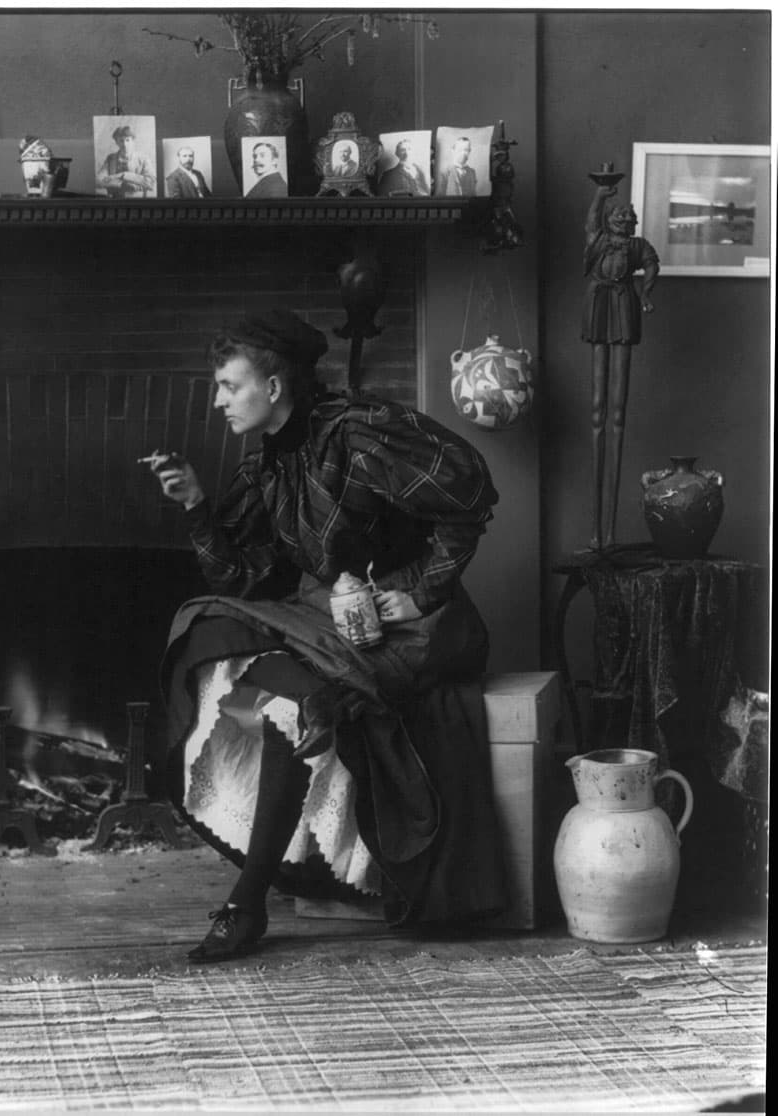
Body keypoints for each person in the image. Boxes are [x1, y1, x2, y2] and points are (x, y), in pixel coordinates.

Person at [146, 309, 506, 964]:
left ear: (274, 387)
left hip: (417, 628)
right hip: (331, 616)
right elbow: (243, 574)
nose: (219, 399)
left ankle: (246, 904)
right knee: (230, 654)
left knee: (283, 706)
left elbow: (471, 491)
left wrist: (420, 589)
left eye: (230, 385)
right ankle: (288, 867)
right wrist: (197, 504)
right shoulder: (270, 466)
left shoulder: (357, 435)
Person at [581, 184, 660, 549]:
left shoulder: (637, 245)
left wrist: (645, 292)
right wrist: (600, 194)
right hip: (599, 307)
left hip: (624, 306)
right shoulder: (598, 238)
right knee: (598, 413)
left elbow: (652, 262)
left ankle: (609, 534)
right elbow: (591, 221)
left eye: (629, 220)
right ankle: (597, 534)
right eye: (620, 218)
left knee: (618, 415)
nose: (625, 224)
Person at [96, 124, 156, 198]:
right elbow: (99, 180)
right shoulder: (111, 158)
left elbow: (151, 182)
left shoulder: (143, 159)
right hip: (114, 200)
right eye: (121, 141)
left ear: (133, 141)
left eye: (128, 140)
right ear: (116, 142)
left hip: (138, 200)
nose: (124, 144)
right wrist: (124, 184)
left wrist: (123, 175)